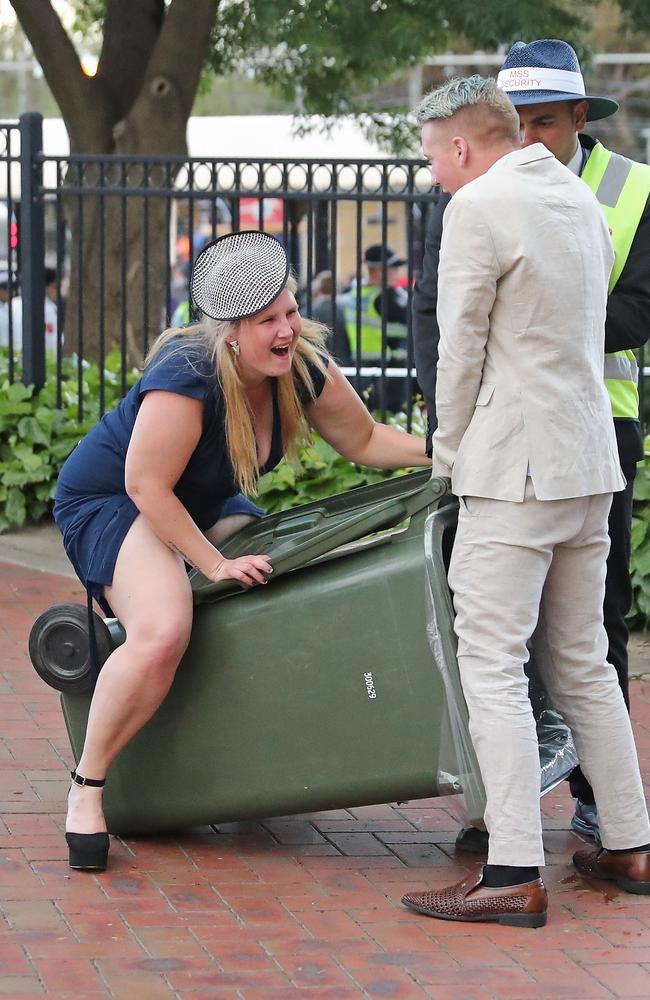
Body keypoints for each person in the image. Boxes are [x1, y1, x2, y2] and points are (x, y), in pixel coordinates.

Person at [53, 229, 430, 873]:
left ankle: (248, 753)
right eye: (267, 321)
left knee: (285, 578)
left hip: (199, 499)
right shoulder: (189, 375)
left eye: (289, 312)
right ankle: (87, 789)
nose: (287, 331)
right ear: (229, 330)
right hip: (114, 499)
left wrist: (454, 453)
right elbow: (145, 484)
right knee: (165, 625)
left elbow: (365, 440)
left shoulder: (301, 362)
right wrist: (212, 564)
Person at [401, 76, 650, 929]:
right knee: (582, 661)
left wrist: (447, 450)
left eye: (434, 156)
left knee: (492, 663)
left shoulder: (477, 208)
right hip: (589, 468)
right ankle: (629, 841)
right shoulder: (576, 195)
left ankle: (512, 867)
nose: (434, 174)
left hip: (517, 472)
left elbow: (458, 347)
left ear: (462, 146)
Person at [341, 244, 409, 412]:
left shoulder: (357, 294)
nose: (397, 272)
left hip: (361, 367)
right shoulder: (386, 296)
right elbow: (412, 323)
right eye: (393, 267)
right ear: (379, 270)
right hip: (390, 368)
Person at [308, 270, 351, 365]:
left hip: (319, 362)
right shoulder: (346, 309)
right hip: (345, 360)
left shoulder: (311, 310)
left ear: (319, 288)